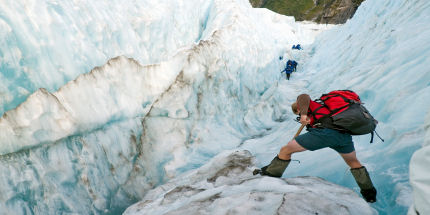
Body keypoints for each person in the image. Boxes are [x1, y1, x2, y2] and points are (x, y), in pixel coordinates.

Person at [258, 93, 378, 203]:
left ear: (298, 108)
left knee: (285, 150)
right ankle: (369, 194)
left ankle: (270, 176)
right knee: (353, 162)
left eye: (298, 113)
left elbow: (303, 96)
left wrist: (304, 114)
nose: (299, 116)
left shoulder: (308, 105)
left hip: (325, 133)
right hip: (342, 136)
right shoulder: (323, 108)